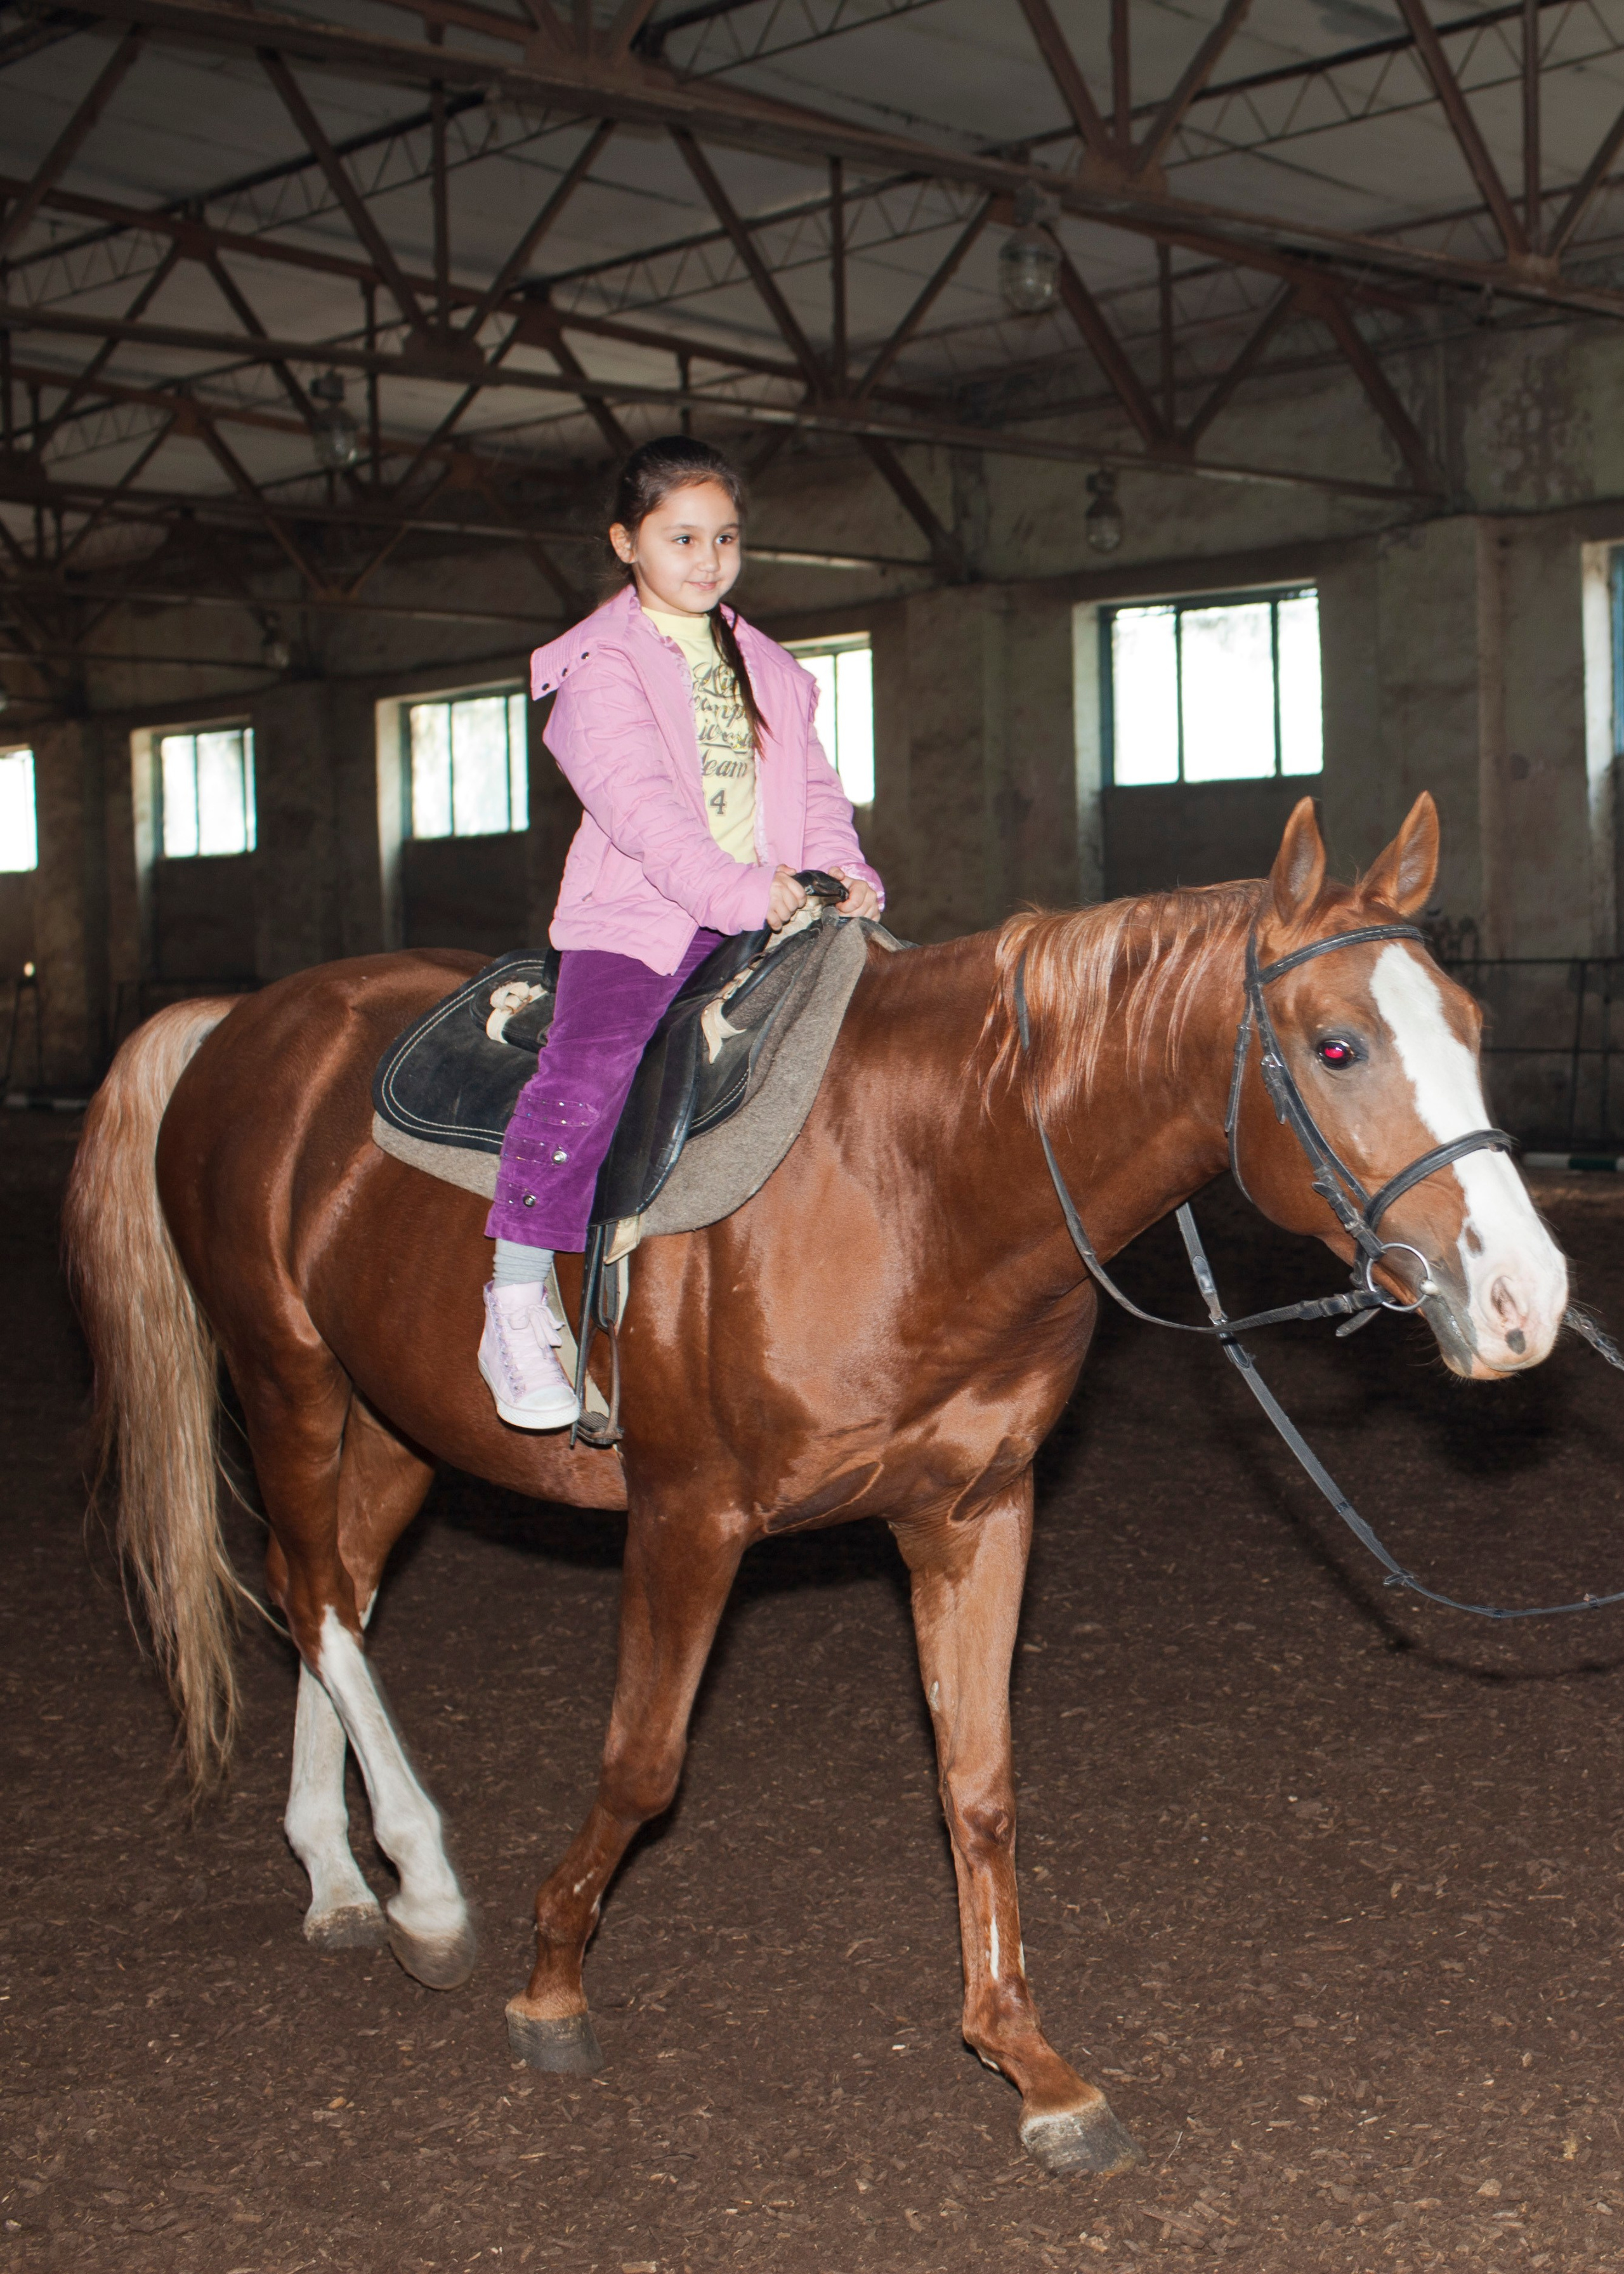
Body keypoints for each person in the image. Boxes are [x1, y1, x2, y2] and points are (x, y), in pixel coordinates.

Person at [478, 435, 886, 1429]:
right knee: (587, 1066)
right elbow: (644, 810)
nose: (707, 560)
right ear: (628, 543)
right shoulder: (600, 668)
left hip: (778, 904)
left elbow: (815, 790)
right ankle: (519, 1297)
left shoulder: (773, 670)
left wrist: (848, 868)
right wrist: (736, 889)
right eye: (682, 538)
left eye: (726, 539)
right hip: (644, 917)